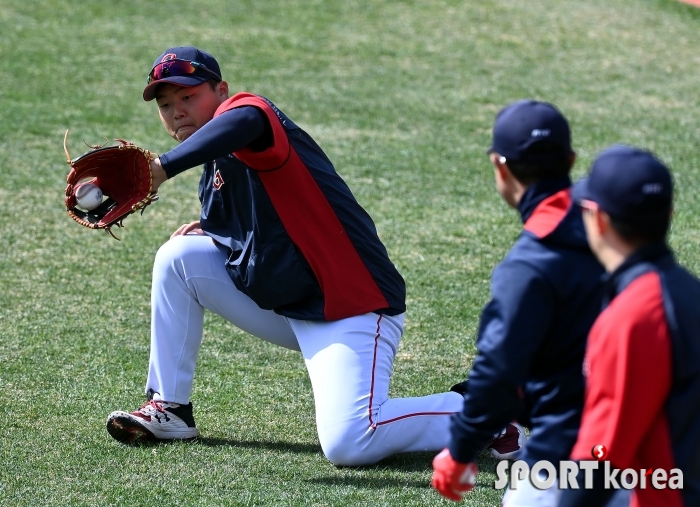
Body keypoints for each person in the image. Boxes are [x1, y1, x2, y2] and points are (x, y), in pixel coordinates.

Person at [104, 46, 467, 466]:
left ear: (221, 91)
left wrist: (163, 167)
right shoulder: (216, 172)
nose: (177, 111)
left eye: (189, 97)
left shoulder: (248, 116)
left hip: (351, 310)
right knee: (179, 256)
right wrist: (213, 230)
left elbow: (246, 121)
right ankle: (170, 409)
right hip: (294, 310)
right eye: (166, 105)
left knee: (350, 441)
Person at [431, 100, 606, 505]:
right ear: (571, 159)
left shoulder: (529, 266)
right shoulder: (619, 230)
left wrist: (460, 450)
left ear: (500, 166)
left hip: (569, 450)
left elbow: (499, 369)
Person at [558, 145, 700, 507]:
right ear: (668, 213)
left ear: (597, 218)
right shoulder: (688, 291)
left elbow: (601, 458)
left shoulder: (633, 316)